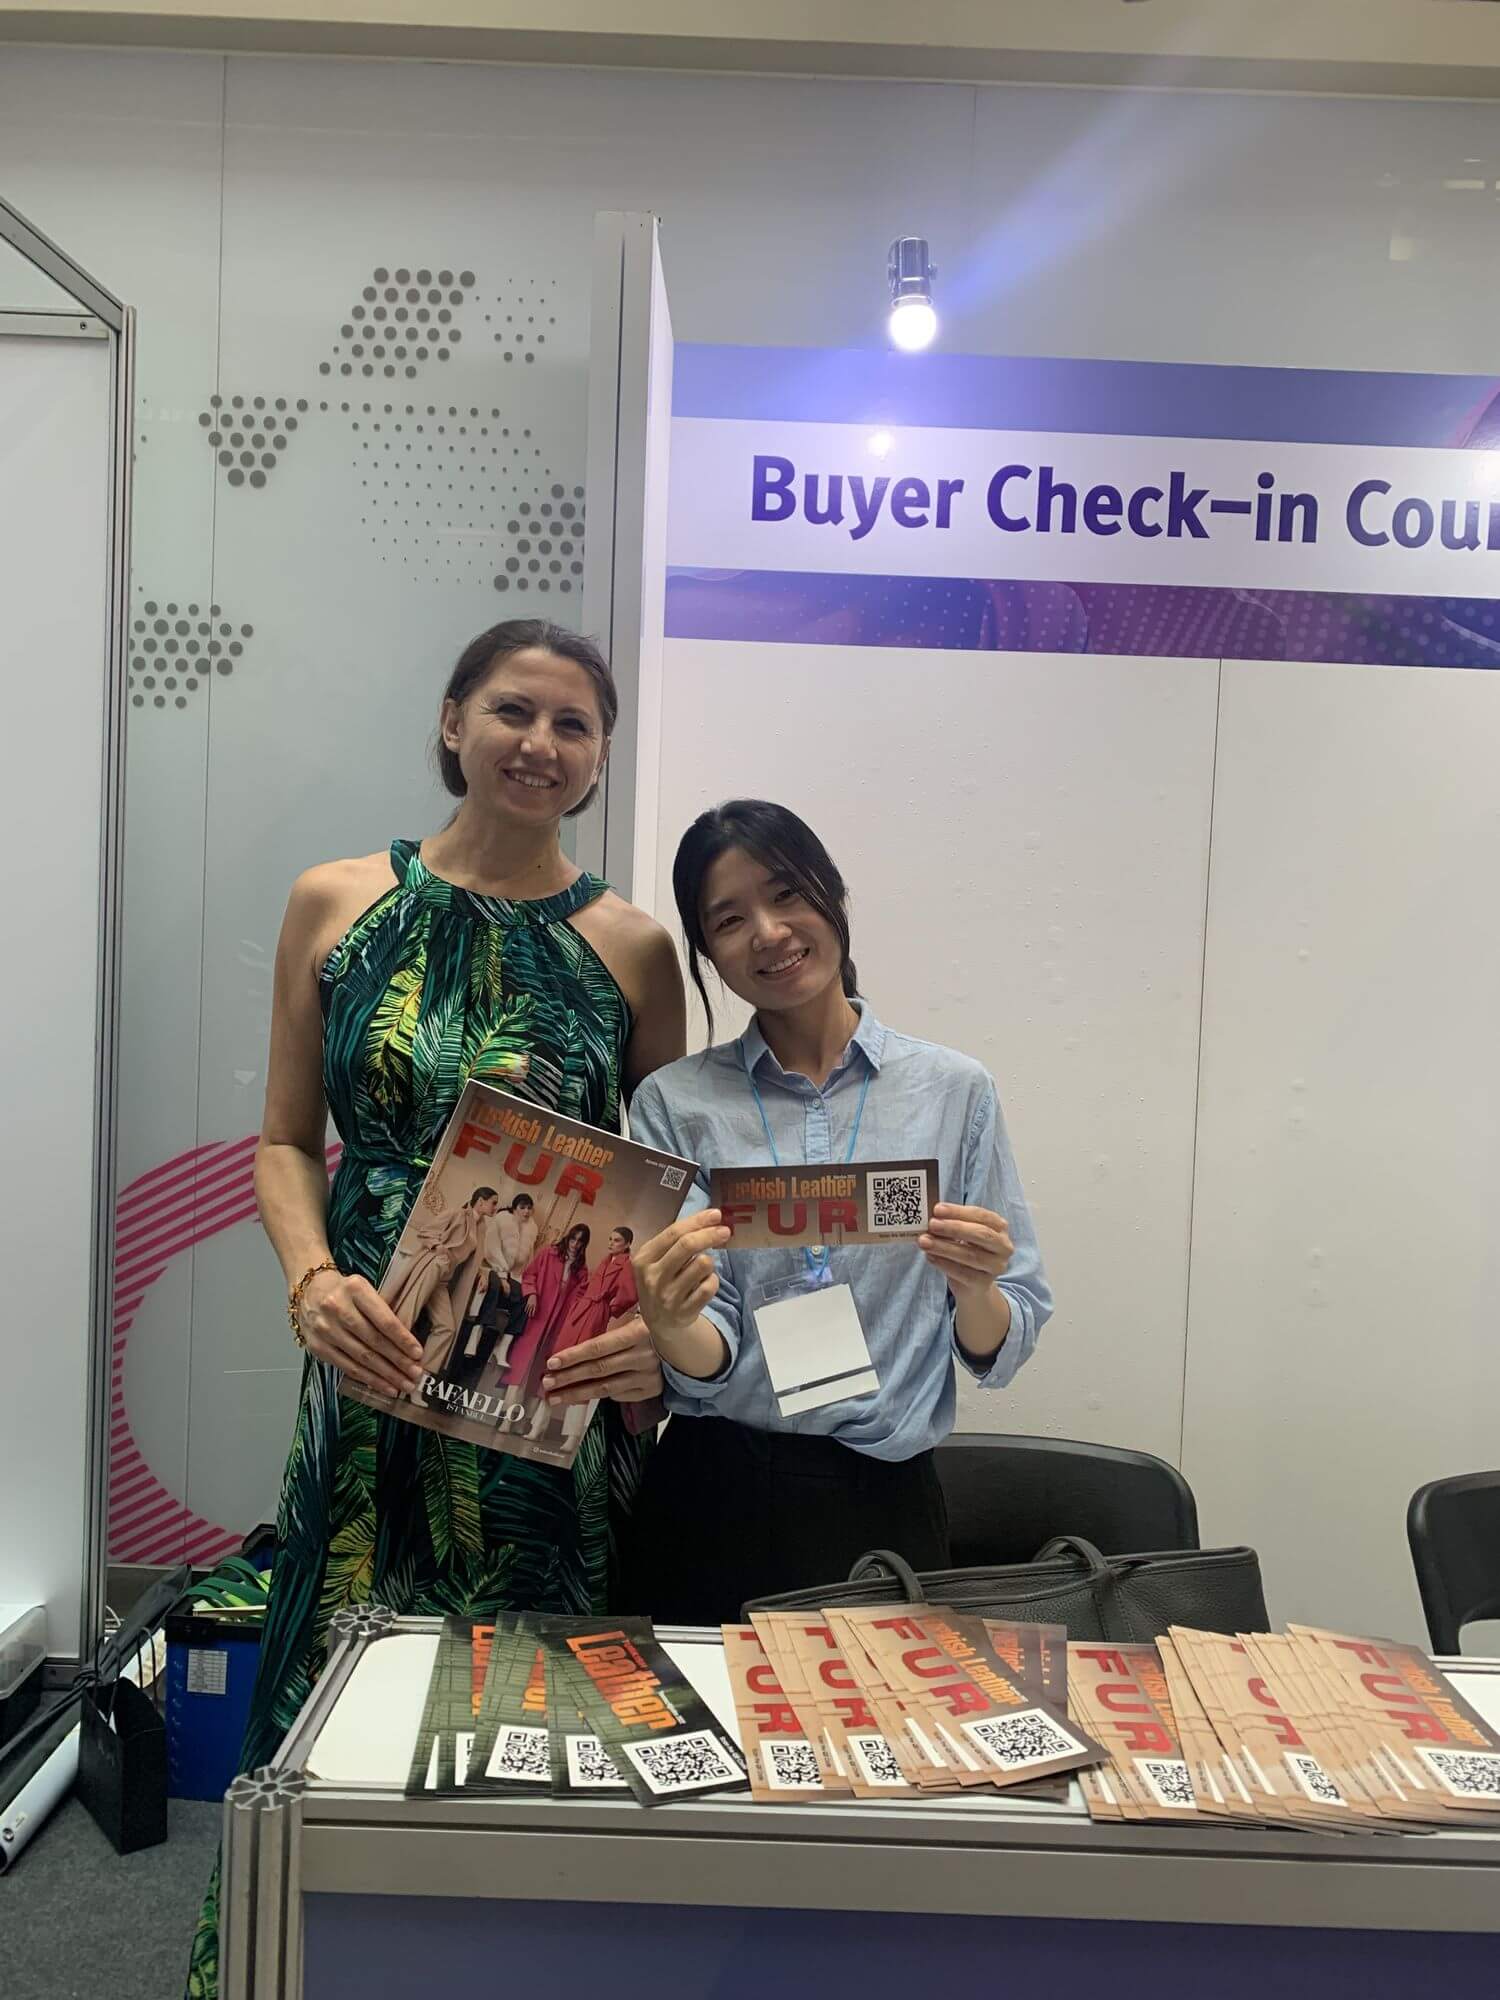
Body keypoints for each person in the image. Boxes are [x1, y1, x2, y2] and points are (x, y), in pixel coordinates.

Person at [186, 620, 685, 2000]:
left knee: (530, 1700)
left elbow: (662, 1182)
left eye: (574, 724)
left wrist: (650, 1335)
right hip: (372, 1355)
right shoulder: (337, 901)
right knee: (330, 1682)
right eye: (513, 710)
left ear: (599, 758)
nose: (540, 743)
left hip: (542, 1392)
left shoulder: (634, 949)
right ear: (454, 720)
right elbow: (284, 1141)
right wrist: (310, 1280)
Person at [582, 799, 1052, 1625]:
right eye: (729, 919)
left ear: (832, 894)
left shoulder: (953, 1092)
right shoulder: (675, 1103)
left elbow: (1002, 1341)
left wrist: (976, 1289)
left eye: (787, 894)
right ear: (706, 953)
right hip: (713, 1491)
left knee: (886, 1715)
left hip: (885, 1499)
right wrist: (669, 1317)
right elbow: (707, 1350)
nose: (768, 933)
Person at [510, 1227, 640, 1452]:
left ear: (627, 1244)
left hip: (594, 1316)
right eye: (610, 1239)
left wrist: (607, 1309)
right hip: (578, 1314)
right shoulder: (606, 1260)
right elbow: (586, 1287)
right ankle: (537, 1427)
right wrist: (580, 1302)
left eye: (617, 1240)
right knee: (556, 1367)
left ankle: (572, 1436)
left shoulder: (627, 1265)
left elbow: (629, 1295)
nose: (611, 1243)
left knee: (581, 1373)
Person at [380, 1185, 498, 1378]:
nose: (495, 1207)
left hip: (443, 1279)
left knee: (446, 1328)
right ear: (480, 1201)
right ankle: (384, 1363)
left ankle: (419, 1378)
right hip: (433, 1267)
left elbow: (473, 1257)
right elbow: (426, 1232)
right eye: (493, 1203)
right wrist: (439, 1249)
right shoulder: (456, 1214)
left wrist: (482, 1273)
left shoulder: (481, 1226)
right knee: (408, 1315)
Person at [452, 1191, 538, 1391]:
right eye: (522, 1207)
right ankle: (476, 1333)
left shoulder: (532, 1228)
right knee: (495, 1286)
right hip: (489, 1267)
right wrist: (502, 1274)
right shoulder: (501, 1219)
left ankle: (503, 1346)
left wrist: (523, 1283)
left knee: (524, 1299)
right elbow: (491, 1248)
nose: (526, 1212)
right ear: (514, 1208)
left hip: (514, 1275)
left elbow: (529, 1258)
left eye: (529, 1208)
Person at [503, 1222, 592, 1395]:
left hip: (559, 1317)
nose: (575, 1244)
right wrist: (532, 1294)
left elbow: (580, 1295)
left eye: (580, 1241)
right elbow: (530, 1274)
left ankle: (526, 1402)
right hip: (538, 1309)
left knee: (544, 1358)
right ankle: (510, 1398)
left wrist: (571, 1318)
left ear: (584, 1244)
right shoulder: (549, 1253)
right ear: (568, 1237)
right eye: (573, 1239)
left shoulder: (581, 1268)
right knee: (523, 1353)